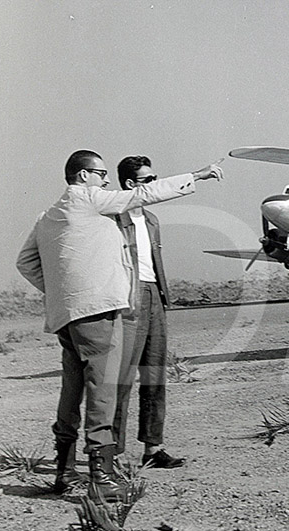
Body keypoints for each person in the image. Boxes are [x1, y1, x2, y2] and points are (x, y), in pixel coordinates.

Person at [16, 150, 223, 502]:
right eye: (100, 173)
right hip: (99, 313)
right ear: (83, 176)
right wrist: (198, 175)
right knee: (104, 389)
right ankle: (102, 476)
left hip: (67, 316)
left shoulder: (48, 216)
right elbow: (144, 194)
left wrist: (64, 294)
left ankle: (65, 470)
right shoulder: (92, 201)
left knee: (72, 389)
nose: (105, 179)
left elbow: (25, 262)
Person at [112, 155, 183, 469]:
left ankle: (153, 449)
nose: (155, 185)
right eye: (148, 180)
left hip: (155, 296)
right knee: (121, 378)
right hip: (129, 298)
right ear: (130, 184)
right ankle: (108, 453)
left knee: (155, 375)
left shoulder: (152, 220)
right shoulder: (113, 217)